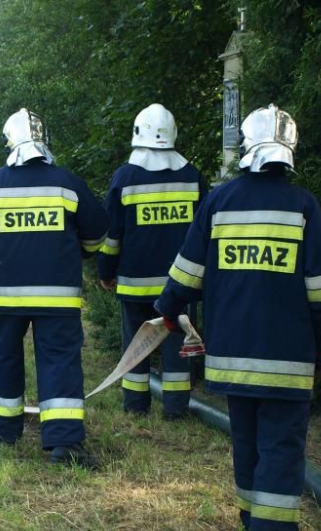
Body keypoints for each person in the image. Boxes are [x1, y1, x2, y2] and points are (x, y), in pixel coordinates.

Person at [155, 105, 321, 531]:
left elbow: (185, 276)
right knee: (281, 449)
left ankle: (251, 521)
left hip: (231, 358)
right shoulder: (304, 207)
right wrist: (320, 347)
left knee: (247, 441)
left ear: (245, 146)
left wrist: (166, 311)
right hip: (288, 358)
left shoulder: (219, 203)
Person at [0, 108, 109, 469]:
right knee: (60, 362)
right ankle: (65, 444)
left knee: (5, 359)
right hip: (58, 296)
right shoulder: (67, 183)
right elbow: (97, 233)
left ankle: (2, 432)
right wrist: (76, 252)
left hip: (4, 297)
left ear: (10, 143)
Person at [96, 104, 207, 419]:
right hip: (179, 287)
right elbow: (204, 234)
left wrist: (106, 272)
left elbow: (112, 235)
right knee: (177, 350)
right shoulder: (191, 177)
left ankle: (135, 408)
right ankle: (175, 411)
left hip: (134, 284)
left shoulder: (125, 178)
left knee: (135, 346)